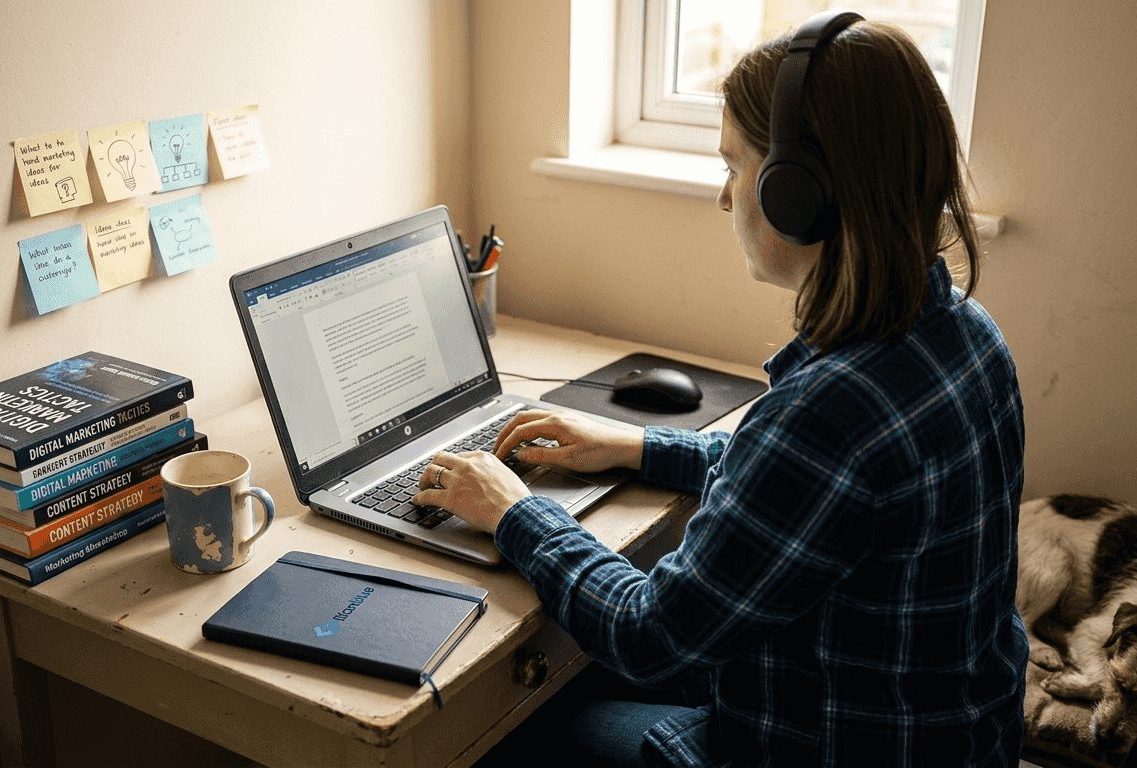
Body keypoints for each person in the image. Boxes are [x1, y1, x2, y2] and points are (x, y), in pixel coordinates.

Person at [414, 13, 1026, 768]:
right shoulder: (966, 332)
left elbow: (651, 637)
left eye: (736, 167)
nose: (726, 199)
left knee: (500, 731)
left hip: (827, 743)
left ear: (797, 195)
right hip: (948, 737)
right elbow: (800, 497)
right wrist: (636, 446)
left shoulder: (827, 414)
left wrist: (515, 511)